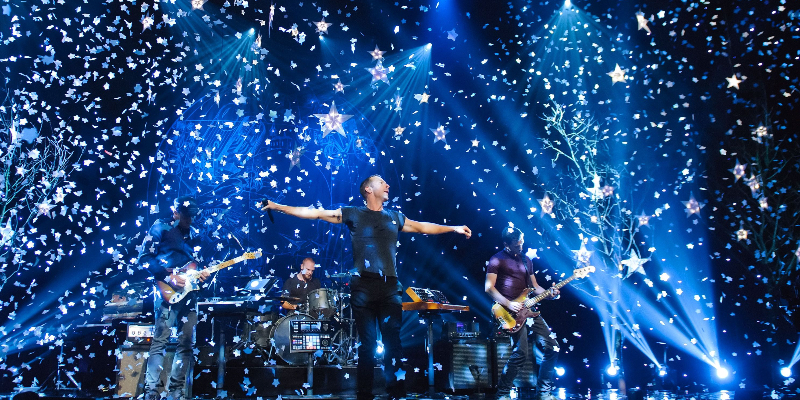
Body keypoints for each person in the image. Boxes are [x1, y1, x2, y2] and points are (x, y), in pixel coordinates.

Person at [262, 175, 471, 400]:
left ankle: (396, 393)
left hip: (390, 287)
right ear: (369, 190)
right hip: (362, 287)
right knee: (367, 344)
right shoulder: (354, 213)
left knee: (393, 342)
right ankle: (364, 395)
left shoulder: (394, 217)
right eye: (383, 182)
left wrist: (453, 228)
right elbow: (316, 213)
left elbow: (422, 227)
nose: (388, 185)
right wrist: (278, 207)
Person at [137, 196, 210, 400]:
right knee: (160, 341)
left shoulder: (196, 234)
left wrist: (203, 275)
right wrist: (168, 277)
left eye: (193, 216)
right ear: (176, 212)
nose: (190, 220)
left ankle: (176, 390)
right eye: (186, 215)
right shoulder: (161, 228)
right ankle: (151, 391)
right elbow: (144, 258)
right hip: (165, 291)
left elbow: (197, 265)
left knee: (186, 343)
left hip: (189, 294)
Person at [485, 227, 560, 400]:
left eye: (522, 242)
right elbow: (489, 288)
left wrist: (550, 294)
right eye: (517, 244)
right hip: (507, 311)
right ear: (506, 244)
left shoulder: (527, 260)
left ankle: (544, 393)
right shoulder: (497, 260)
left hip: (529, 310)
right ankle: (502, 393)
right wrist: (509, 303)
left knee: (553, 347)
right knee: (521, 353)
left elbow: (535, 288)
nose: (521, 246)